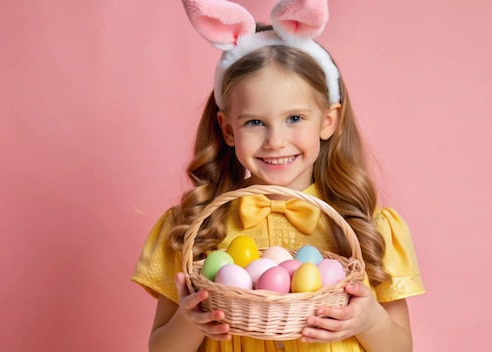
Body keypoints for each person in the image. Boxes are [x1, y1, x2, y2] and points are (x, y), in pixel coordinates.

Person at [132, 0, 426, 351]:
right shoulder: (195, 228)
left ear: (328, 121)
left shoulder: (366, 227)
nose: (275, 141)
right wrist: (191, 320)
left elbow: (400, 347)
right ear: (227, 129)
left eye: (295, 119)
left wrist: (370, 321)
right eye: (255, 122)